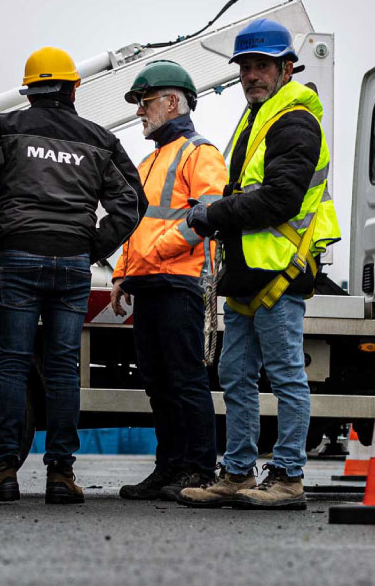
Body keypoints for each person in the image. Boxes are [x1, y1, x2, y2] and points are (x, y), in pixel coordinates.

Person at [0, 46, 146, 504]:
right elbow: (132, 200)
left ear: (30, 89)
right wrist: (94, 245)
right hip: (73, 263)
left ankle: (0, 471)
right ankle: (61, 475)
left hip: (17, 258)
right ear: (74, 87)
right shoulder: (99, 139)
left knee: (12, 367)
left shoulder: (8, 127)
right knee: (62, 371)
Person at [177, 19, 341, 509]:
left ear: (286, 68)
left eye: (262, 65)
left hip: (278, 270)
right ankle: (238, 472)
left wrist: (213, 215)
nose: (251, 75)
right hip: (251, 271)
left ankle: (288, 477)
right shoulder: (259, 119)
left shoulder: (293, 120)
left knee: (285, 375)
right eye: (246, 67)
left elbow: (281, 199)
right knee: (236, 374)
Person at [109, 61, 227, 501]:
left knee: (184, 379)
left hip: (179, 284)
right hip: (149, 285)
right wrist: (123, 274)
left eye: (145, 101)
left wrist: (154, 254)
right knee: (157, 382)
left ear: (173, 101)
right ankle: (169, 467)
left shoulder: (201, 154)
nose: (140, 111)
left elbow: (209, 216)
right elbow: (134, 226)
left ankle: (197, 468)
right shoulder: (148, 161)